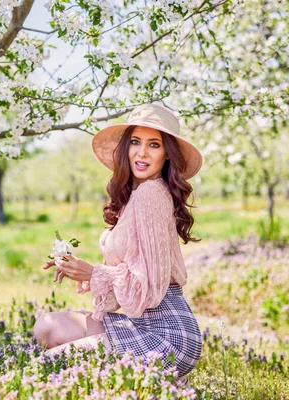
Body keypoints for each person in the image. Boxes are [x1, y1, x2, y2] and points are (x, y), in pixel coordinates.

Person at [33, 103, 203, 378]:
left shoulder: (151, 195)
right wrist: (81, 271)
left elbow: (148, 287)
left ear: (167, 155)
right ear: (126, 147)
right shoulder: (134, 199)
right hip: (141, 323)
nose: (142, 152)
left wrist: (94, 272)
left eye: (154, 145)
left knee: (50, 365)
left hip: (168, 336)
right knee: (47, 326)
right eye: (135, 142)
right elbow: (130, 285)